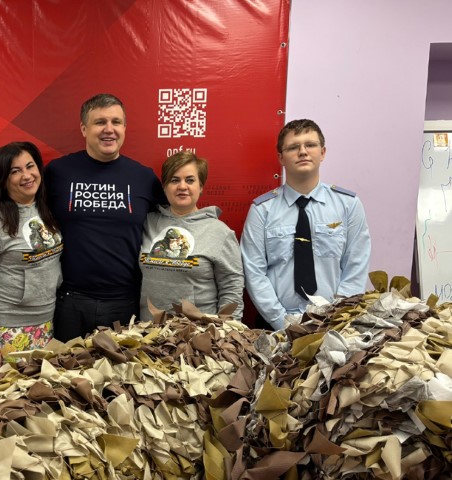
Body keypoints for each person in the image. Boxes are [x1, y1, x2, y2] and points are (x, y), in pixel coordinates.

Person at [45, 93, 166, 342]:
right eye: (100, 122)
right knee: (64, 368)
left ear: (124, 128)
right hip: (70, 302)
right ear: (84, 128)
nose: (109, 129)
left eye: (116, 122)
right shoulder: (57, 172)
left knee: (121, 369)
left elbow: (172, 221)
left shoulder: (143, 177)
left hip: (125, 303)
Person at [240, 119, 371, 330]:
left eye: (310, 145)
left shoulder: (348, 205)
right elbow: (254, 272)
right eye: (293, 147)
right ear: (281, 158)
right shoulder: (262, 210)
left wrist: (336, 318)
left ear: (323, 152)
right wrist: (283, 322)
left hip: (335, 323)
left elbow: (356, 266)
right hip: (275, 325)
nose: (303, 152)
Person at [0, 142, 62, 372]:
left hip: (49, 322)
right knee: (18, 394)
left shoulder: (45, 209)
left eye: (30, 166)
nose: (27, 176)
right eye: (15, 171)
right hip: (10, 330)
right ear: (3, 179)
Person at [139, 151, 244, 321]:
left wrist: (228, 329)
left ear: (200, 187)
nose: (182, 186)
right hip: (148, 330)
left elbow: (232, 289)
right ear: (164, 187)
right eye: (174, 180)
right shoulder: (148, 223)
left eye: (190, 180)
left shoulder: (220, 232)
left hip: (197, 332)